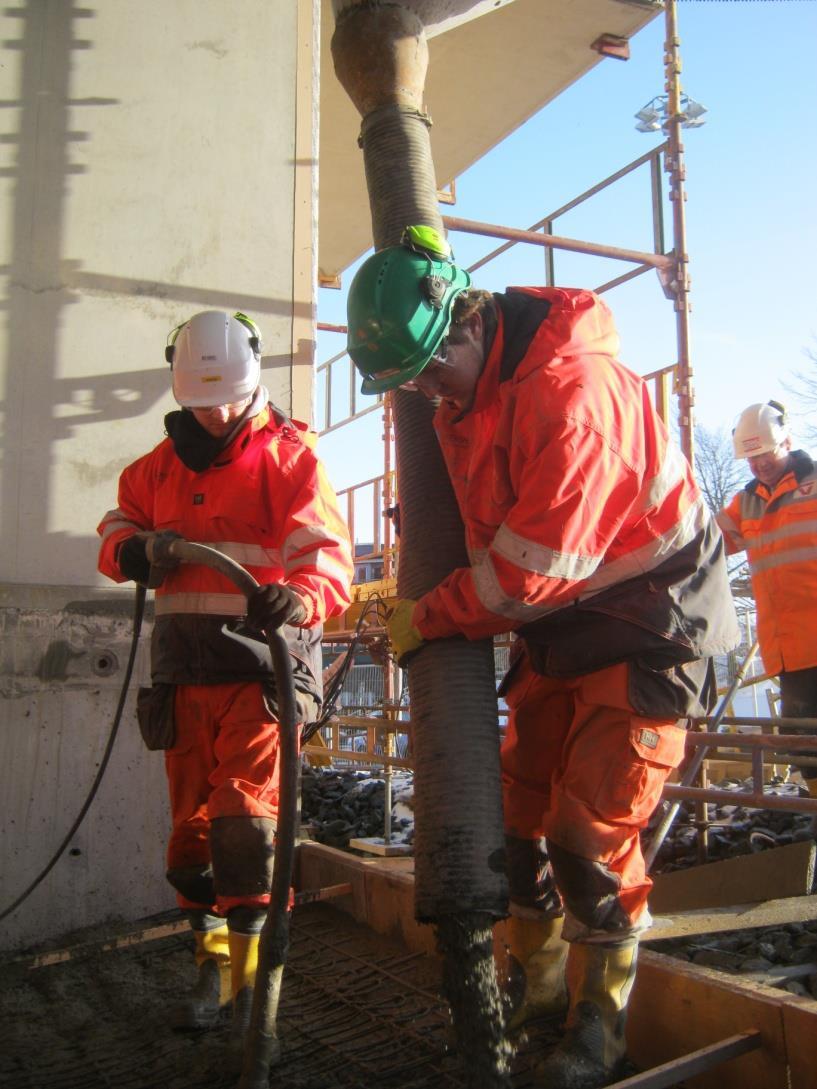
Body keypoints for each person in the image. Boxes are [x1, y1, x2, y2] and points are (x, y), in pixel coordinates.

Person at [345, 228, 739, 1089]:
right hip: (563, 617)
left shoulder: (571, 396)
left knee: (587, 835)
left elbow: (528, 573)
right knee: (515, 820)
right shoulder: (471, 386)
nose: (422, 392)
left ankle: (601, 1024)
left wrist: (433, 613)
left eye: (425, 371)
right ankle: (543, 984)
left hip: (646, 618)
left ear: (469, 323)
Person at [97, 310, 353, 1053]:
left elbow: (327, 553)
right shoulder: (152, 468)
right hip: (182, 677)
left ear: (251, 384)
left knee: (247, 827)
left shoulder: (290, 458)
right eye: (200, 401)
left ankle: (252, 1000)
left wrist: (302, 595)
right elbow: (112, 534)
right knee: (191, 842)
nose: (213, 413)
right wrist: (135, 548)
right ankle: (209, 965)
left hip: (255, 673)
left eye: (227, 400)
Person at [717, 401, 817, 797]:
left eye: (765, 454)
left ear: (787, 442)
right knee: (800, 736)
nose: (758, 464)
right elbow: (706, 544)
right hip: (787, 648)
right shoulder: (746, 503)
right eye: (751, 457)